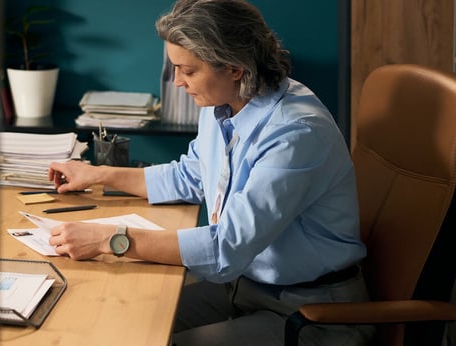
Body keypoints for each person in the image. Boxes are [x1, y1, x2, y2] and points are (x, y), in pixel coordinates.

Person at [47, 0, 374, 344]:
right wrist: (97, 174)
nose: (177, 82)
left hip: (312, 312)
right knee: (128, 319)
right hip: (246, 288)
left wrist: (107, 239)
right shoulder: (225, 102)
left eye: (188, 71)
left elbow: (226, 248)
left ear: (235, 67)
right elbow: (190, 177)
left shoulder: (295, 133)